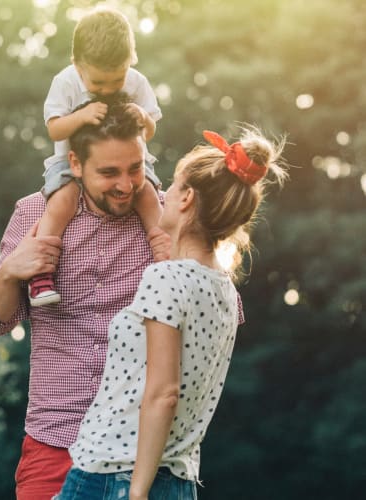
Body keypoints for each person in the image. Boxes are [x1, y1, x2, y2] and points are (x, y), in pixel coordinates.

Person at [54, 128, 288, 500]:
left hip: (114, 477)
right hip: (178, 483)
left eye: (174, 186)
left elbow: (164, 393)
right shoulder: (224, 289)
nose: (161, 194)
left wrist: (136, 492)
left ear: (187, 199)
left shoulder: (166, 277)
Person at [0, 99, 170, 500]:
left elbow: (220, 312)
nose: (126, 185)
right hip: (55, 440)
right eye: (109, 172)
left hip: (141, 447)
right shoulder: (34, 213)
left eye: (135, 169)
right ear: (76, 163)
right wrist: (12, 270)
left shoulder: (166, 218)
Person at [28, 7, 163, 307]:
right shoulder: (65, 83)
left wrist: (141, 116)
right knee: (61, 203)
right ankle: (41, 275)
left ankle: (166, 258)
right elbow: (55, 129)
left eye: (116, 82)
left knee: (149, 197)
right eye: (98, 84)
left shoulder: (137, 82)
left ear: (131, 61)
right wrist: (83, 116)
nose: (106, 90)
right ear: (77, 65)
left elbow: (150, 131)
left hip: (129, 160)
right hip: (68, 164)